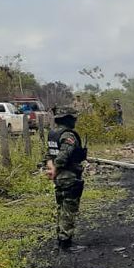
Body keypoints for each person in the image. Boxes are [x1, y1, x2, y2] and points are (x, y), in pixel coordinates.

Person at [45, 107, 87, 250]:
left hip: (60, 178)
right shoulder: (68, 135)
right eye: (73, 118)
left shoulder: (53, 134)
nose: (75, 120)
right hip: (68, 175)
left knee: (61, 207)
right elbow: (63, 155)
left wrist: (51, 168)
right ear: (67, 119)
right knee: (69, 209)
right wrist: (56, 168)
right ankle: (66, 242)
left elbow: (49, 154)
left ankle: (61, 238)